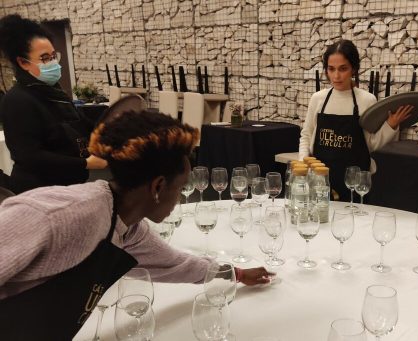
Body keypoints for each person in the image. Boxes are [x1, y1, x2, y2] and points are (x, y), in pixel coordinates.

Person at [0, 109, 273, 339]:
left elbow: (175, 264)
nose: (179, 199)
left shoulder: (125, 225)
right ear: (158, 186)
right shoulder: (57, 215)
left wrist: (234, 273)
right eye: (179, 189)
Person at [0, 15, 107, 194]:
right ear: (23, 62)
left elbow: (79, 123)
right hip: (41, 192)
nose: (53, 63)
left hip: (69, 186)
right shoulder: (17, 101)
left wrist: (110, 128)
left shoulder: (53, 92)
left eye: (53, 56)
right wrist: (85, 163)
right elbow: (29, 156)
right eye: (44, 58)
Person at [299, 39, 413, 201]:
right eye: (331, 69)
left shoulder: (367, 100)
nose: (336, 76)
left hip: (355, 183)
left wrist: (391, 125)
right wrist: (304, 162)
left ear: (354, 69)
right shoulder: (318, 99)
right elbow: (307, 135)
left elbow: (370, 144)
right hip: (320, 181)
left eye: (343, 69)